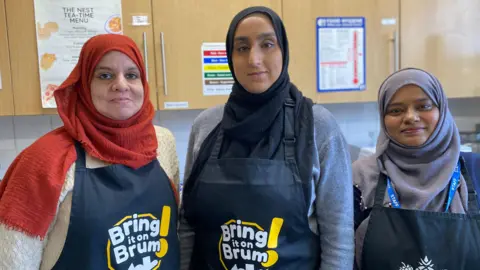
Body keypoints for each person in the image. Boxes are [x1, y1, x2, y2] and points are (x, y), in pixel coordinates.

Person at [179, 6, 354, 270]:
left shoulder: (318, 126)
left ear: (283, 51)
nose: (254, 59)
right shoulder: (206, 126)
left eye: (267, 44)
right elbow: (187, 225)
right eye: (242, 48)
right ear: (230, 56)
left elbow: (338, 235)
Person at [0, 34, 180, 269]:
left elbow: (174, 233)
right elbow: (10, 260)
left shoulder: (162, 142)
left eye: (131, 75)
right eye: (105, 75)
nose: (121, 84)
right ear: (84, 84)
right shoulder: (45, 159)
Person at [353, 68, 480, 270]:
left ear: (442, 110)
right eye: (396, 110)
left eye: (423, 106)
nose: (411, 117)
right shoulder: (359, 177)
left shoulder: (475, 170)